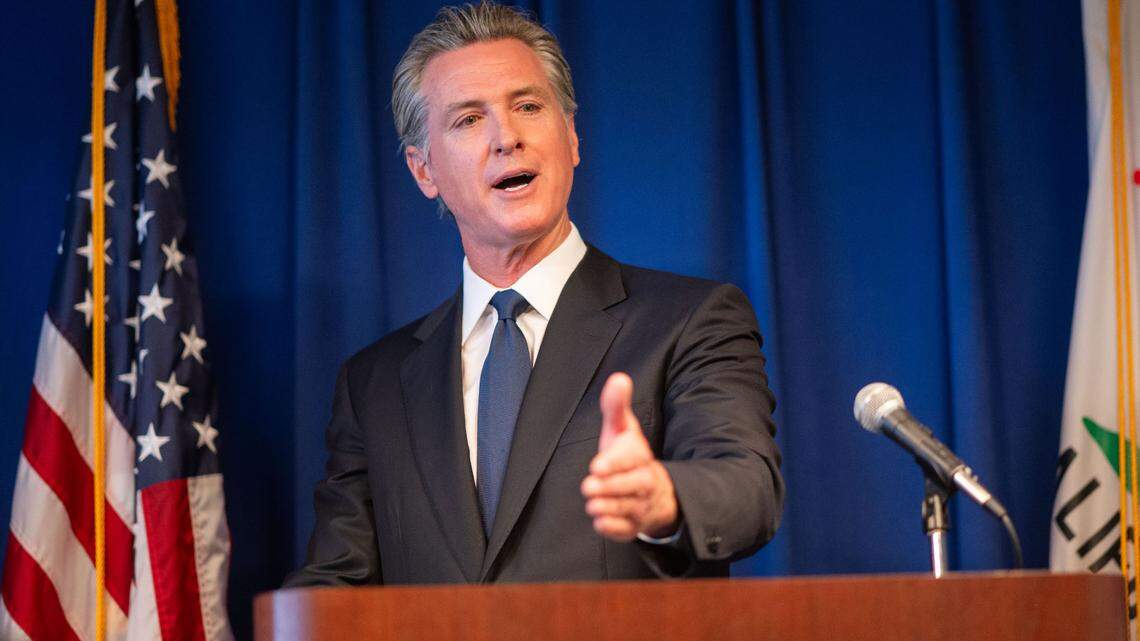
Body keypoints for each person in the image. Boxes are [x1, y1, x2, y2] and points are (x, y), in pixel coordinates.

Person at [285, 2, 782, 585]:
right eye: (468, 120)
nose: (507, 138)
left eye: (527, 106)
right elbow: (337, 583)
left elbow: (747, 488)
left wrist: (663, 497)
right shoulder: (374, 383)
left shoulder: (691, 320)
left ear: (571, 136)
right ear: (424, 171)